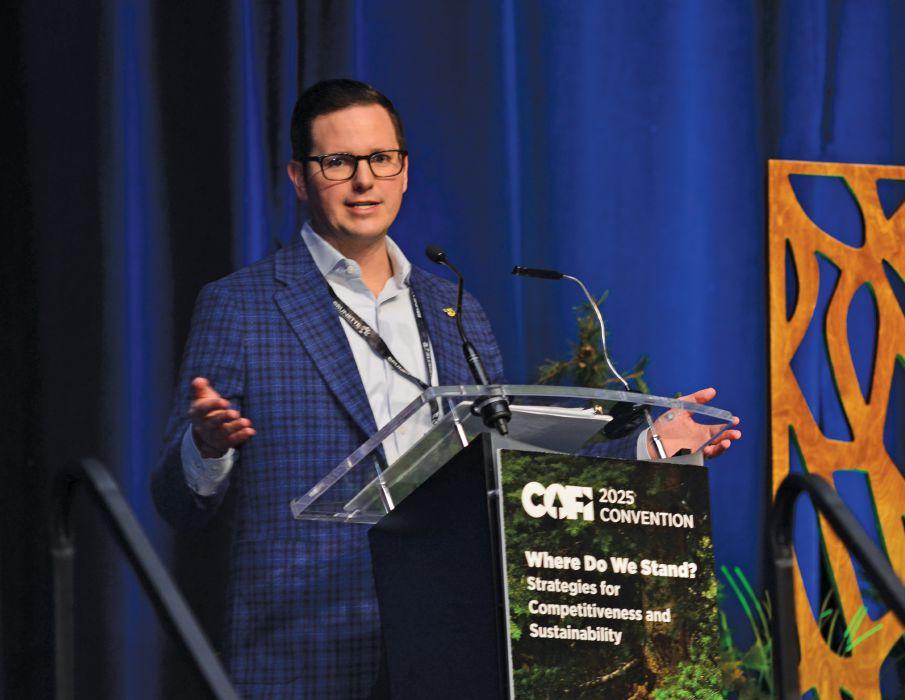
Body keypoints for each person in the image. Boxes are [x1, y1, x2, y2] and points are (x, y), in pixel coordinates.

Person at [151, 78, 740, 697]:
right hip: (308, 649)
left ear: (404, 172)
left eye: (381, 158)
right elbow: (176, 503)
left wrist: (649, 448)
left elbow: (516, 472)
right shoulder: (241, 305)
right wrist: (207, 447)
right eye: (338, 162)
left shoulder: (455, 308)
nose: (364, 180)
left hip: (450, 639)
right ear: (300, 177)